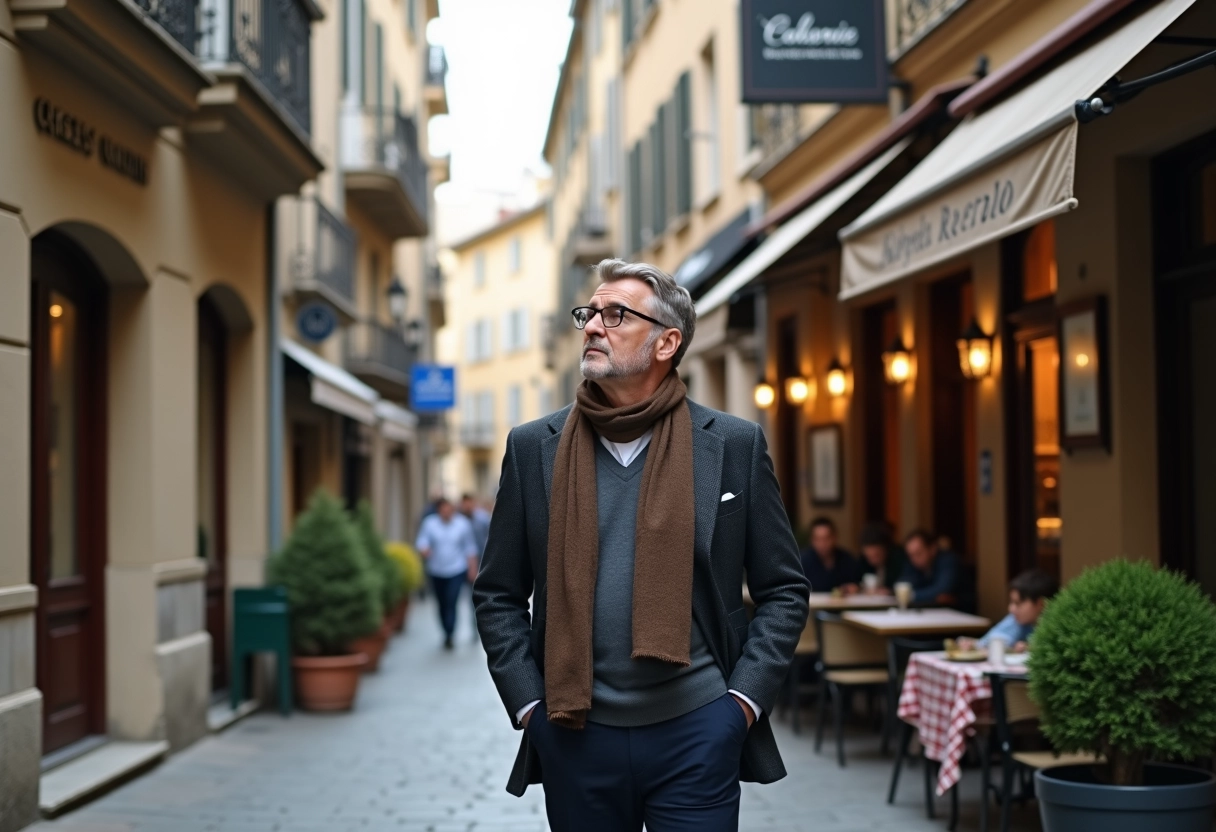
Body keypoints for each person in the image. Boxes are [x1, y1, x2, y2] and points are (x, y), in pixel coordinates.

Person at [474, 259, 809, 832]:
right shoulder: (534, 448)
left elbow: (784, 589)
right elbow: (499, 593)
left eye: (615, 314)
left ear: (666, 343)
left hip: (698, 731)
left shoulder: (732, 445)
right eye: (590, 313)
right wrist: (531, 707)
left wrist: (741, 706)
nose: (592, 327)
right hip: (576, 732)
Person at [415, 497, 479, 650]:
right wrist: (424, 549)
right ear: (438, 510)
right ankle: (445, 630)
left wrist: (472, 569)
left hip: (456, 569)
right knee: (442, 603)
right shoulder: (430, 524)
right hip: (436, 570)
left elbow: (470, 547)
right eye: (443, 509)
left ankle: (450, 633)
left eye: (449, 509)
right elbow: (422, 541)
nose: (446, 512)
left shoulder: (462, 524)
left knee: (452, 601)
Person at [958, 569, 1058, 653]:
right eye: (1011, 602)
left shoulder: (1057, 626)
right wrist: (974, 644)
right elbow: (992, 640)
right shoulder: (1016, 620)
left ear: (1040, 604)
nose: (1011, 609)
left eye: (1018, 603)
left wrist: (1031, 648)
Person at [898, 528, 962, 606]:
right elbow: (902, 585)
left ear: (932, 549)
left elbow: (943, 589)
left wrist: (911, 595)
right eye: (911, 555)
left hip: (959, 613)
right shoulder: (913, 564)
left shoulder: (948, 560)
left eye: (919, 553)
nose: (914, 559)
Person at [460, 493, 492, 642]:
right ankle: (474, 628)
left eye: (469, 503)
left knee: (480, 596)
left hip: (482, 563)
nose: (467, 506)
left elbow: (491, 539)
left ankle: (480, 626)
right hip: (463, 565)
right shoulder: (458, 520)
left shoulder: (483, 519)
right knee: (470, 598)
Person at [800, 517, 861, 593]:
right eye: (817, 539)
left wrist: (852, 588)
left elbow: (857, 584)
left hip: (842, 603)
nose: (822, 544)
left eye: (826, 538)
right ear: (811, 540)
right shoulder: (802, 560)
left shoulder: (847, 559)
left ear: (834, 537)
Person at [848, 521, 908, 595]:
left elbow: (904, 585)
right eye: (869, 557)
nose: (873, 560)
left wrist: (891, 591)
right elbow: (857, 581)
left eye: (877, 555)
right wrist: (857, 587)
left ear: (886, 549)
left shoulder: (899, 559)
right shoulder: (863, 561)